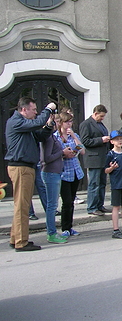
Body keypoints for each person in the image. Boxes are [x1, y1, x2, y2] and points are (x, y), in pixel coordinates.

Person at [6, 97, 56, 251]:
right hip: (21, 167)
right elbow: (36, 123)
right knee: (22, 205)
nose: (35, 113)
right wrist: (48, 109)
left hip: (26, 167)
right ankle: (21, 242)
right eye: (33, 109)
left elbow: (40, 135)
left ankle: (16, 238)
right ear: (24, 110)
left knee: (22, 204)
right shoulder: (16, 121)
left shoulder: (24, 125)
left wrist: (48, 126)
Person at [41, 116, 71, 244]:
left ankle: (53, 232)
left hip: (56, 172)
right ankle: (51, 233)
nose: (58, 124)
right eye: (55, 122)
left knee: (53, 204)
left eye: (58, 122)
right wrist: (62, 152)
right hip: (50, 173)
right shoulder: (48, 138)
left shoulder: (53, 137)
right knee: (51, 205)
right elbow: (46, 158)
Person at [55, 112, 84, 237]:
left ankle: (70, 226)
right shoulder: (56, 136)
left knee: (71, 201)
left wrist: (74, 137)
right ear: (61, 123)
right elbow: (54, 153)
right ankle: (65, 228)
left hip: (75, 170)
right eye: (67, 122)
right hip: (63, 172)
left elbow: (82, 151)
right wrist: (63, 153)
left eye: (71, 122)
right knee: (66, 202)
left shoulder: (74, 135)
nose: (69, 124)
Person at [80, 104, 111, 216]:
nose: (102, 118)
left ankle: (99, 205)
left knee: (102, 183)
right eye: (101, 116)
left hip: (103, 157)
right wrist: (101, 140)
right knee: (94, 183)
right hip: (93, 158)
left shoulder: (100, 124)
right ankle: (92, 207)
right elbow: (85, 141)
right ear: (96, 113)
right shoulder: (86, 124)